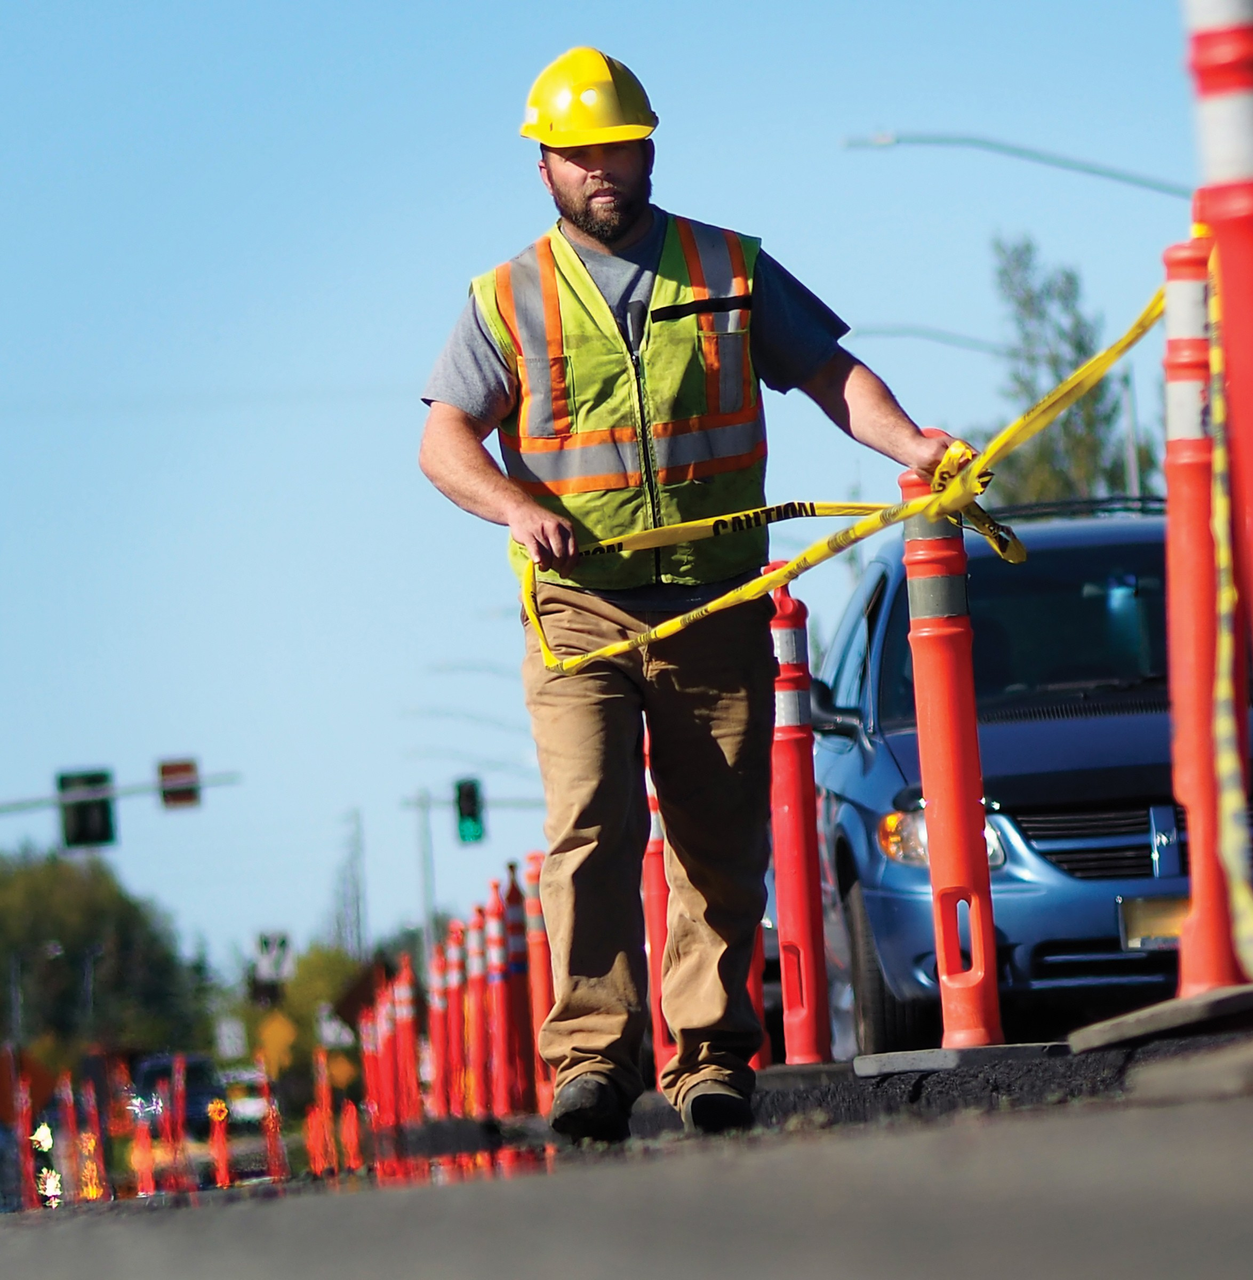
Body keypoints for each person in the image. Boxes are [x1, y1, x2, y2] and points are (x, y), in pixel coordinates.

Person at [418, 47, 946, 1139]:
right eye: (578, 154)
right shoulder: (504, 297)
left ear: (648, 148)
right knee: (591, 827)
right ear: (545, 168)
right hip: (582, 612)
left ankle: (708, 1056)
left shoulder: (728, 265)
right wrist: (515, 504)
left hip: (712, 603)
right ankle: (592, 1062)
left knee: (716, 834)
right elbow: (442, 440)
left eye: (618, 146)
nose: (600, 169)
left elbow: (831, 374)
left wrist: (912, 441)